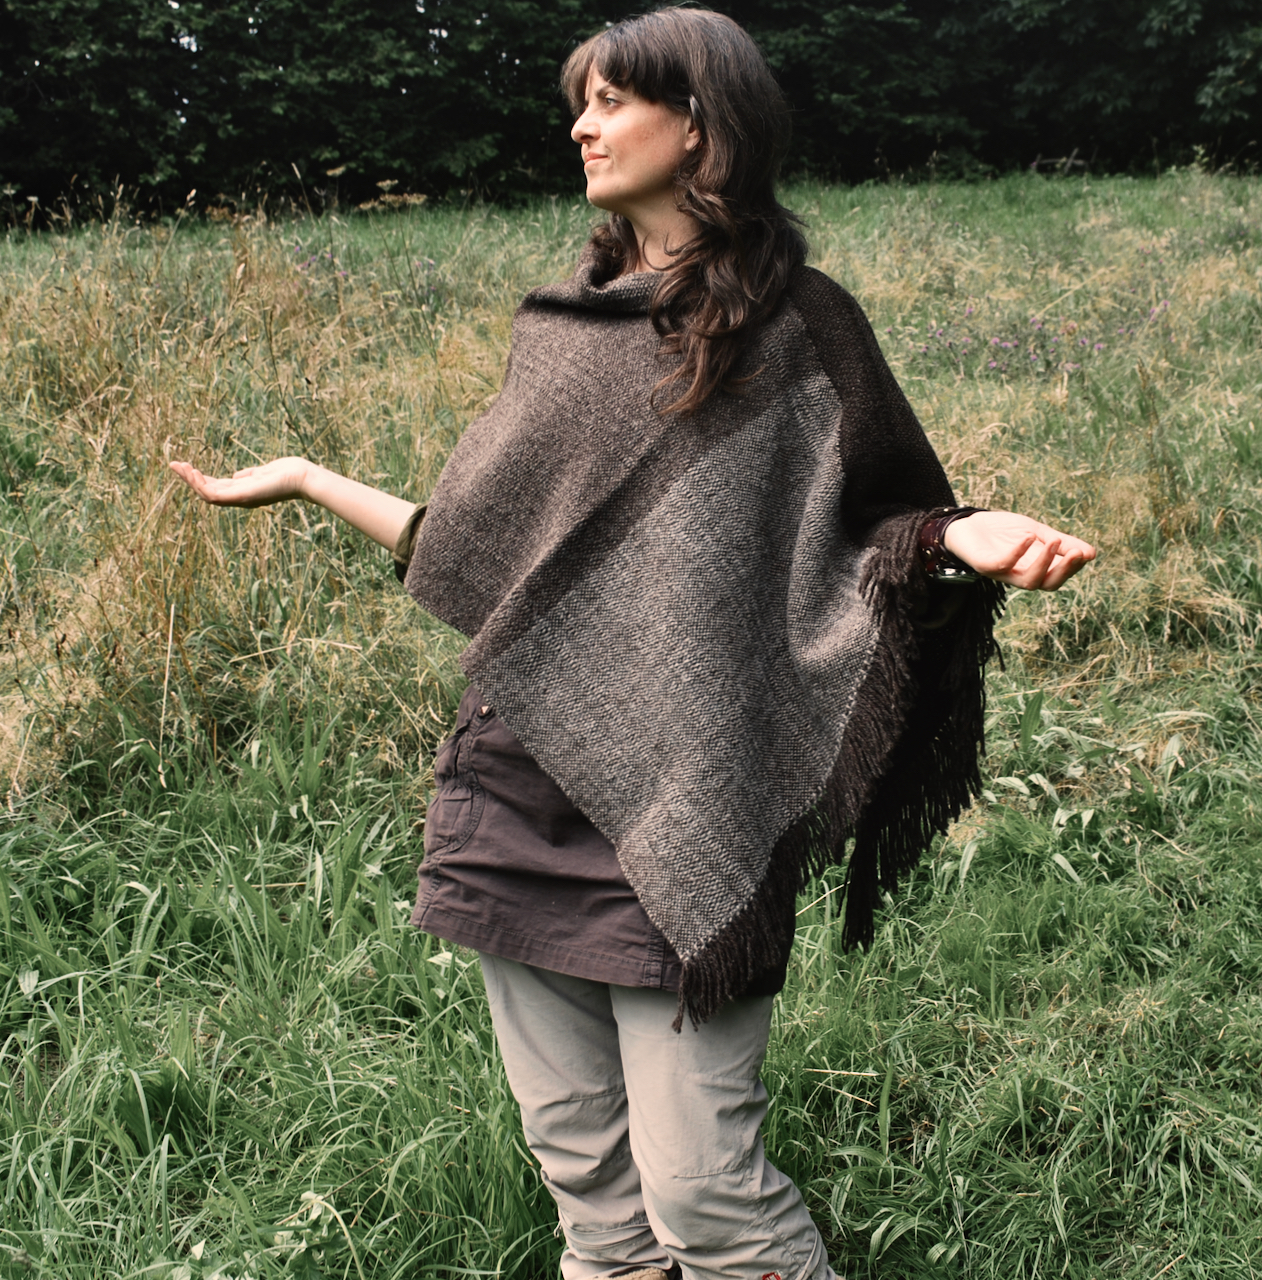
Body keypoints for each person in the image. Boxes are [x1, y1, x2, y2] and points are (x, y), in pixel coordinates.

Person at [171, 8, 1095, 1278]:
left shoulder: (801, 326)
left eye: (611, 101)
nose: (582, 126)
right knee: (591, 1191)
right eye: (580, 102)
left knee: (707, 1193)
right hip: (519, 782)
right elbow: (482, 552)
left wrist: (957, 536)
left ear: (700, 123)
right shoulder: (565, 324)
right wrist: (307, 479)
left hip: (692, 794)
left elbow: (888, 518)